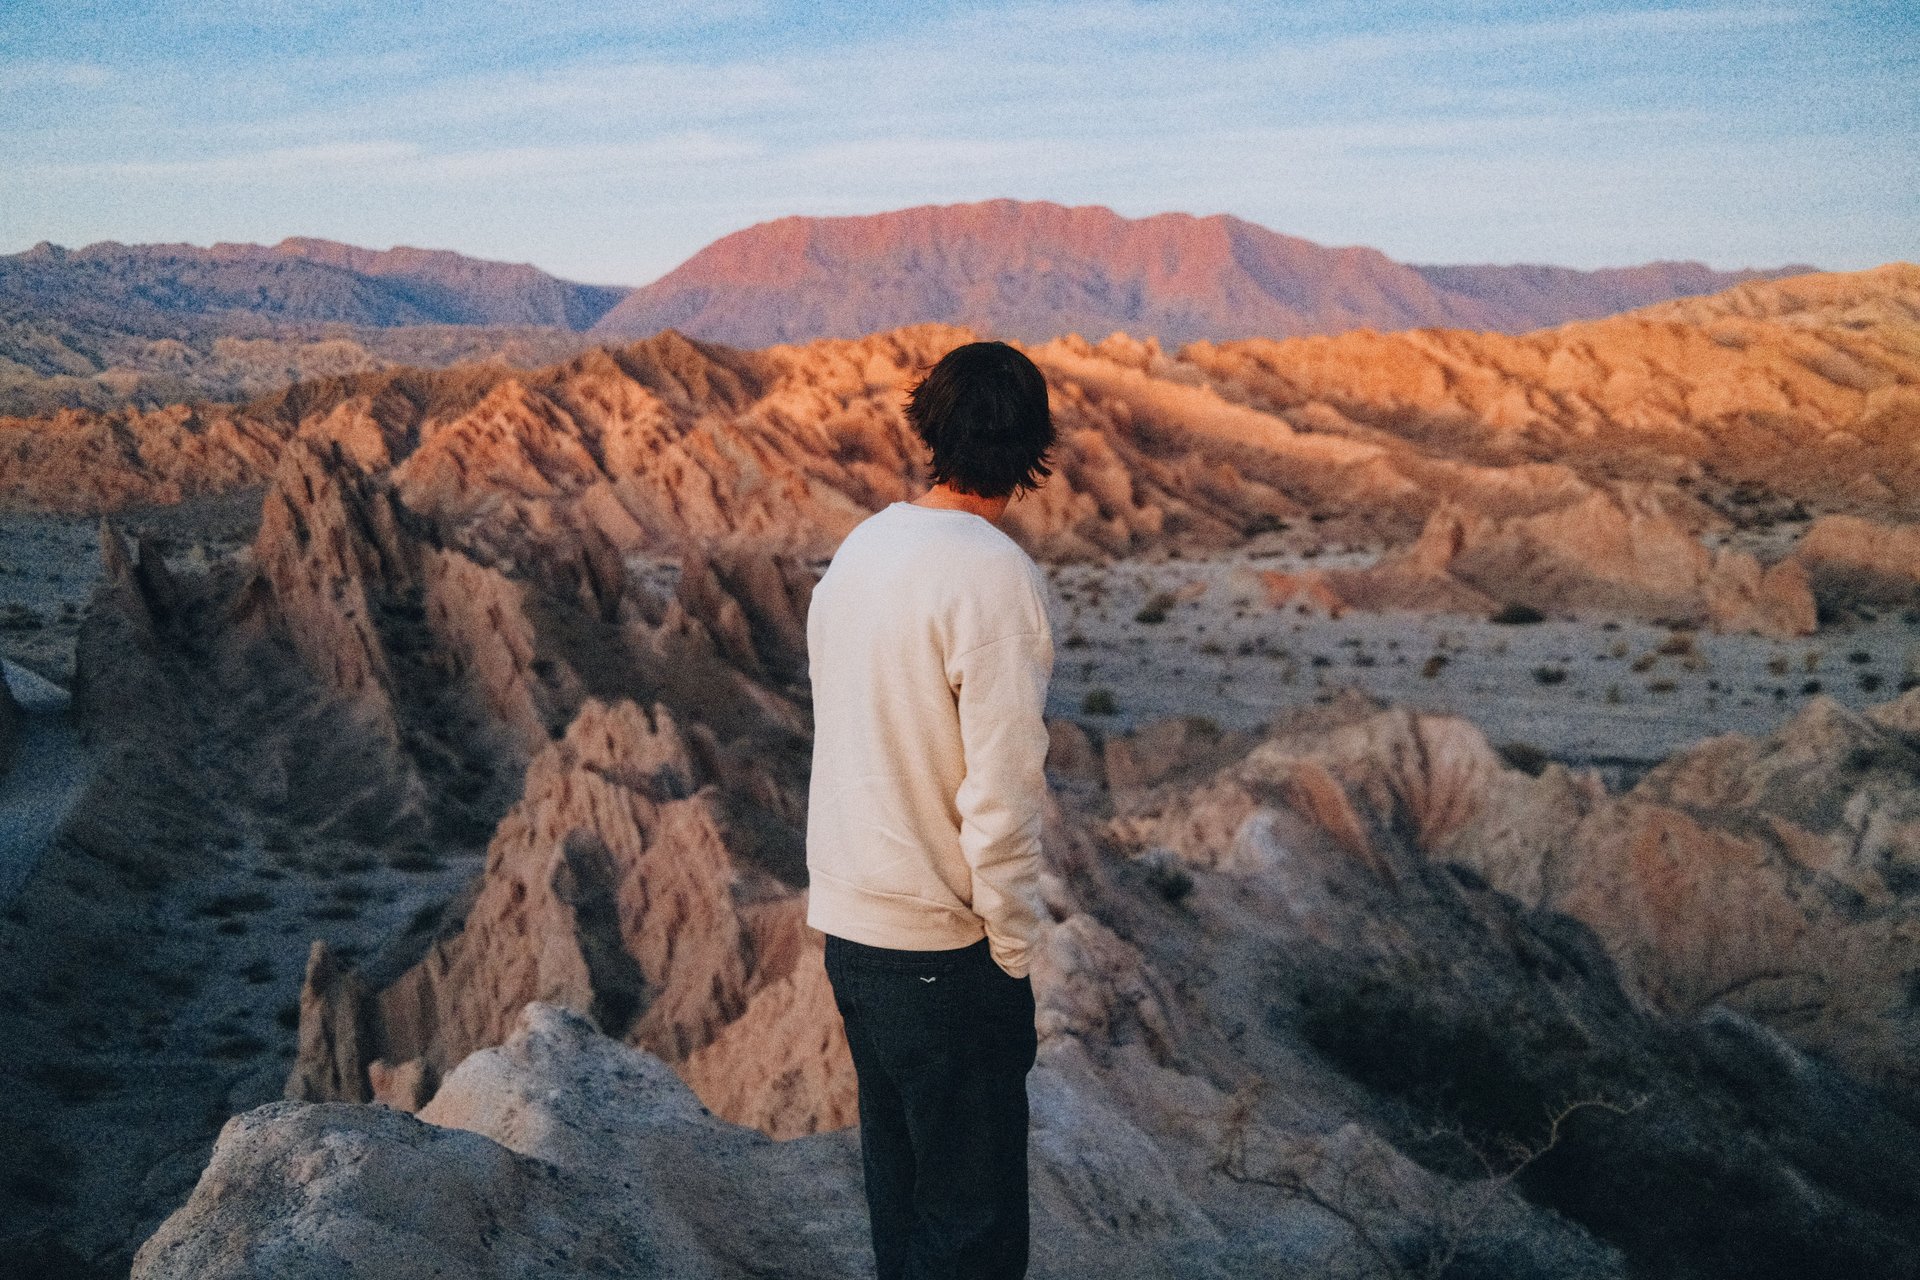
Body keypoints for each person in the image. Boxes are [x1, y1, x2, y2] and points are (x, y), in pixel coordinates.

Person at [806, 340, 1057, 1280]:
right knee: (973, 1231)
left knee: (903, 1208)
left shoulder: (864, 547)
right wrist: (1014, 950)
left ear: (928, 427)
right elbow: (1001, 797)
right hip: (941, 949)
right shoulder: (996, 577)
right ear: (1035, 445)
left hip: (853, 934)